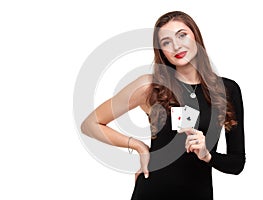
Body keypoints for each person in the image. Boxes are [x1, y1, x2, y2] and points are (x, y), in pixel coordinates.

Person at [81, 11, 245, 200]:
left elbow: (237, 163)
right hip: (152, 192)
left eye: (182, 35)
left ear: (196, 36)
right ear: (161, 51)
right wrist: (139, 147)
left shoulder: (227, 90)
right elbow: (90, 124)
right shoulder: (149, 87)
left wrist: (207, 155)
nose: (176, 46)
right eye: (166, 42)